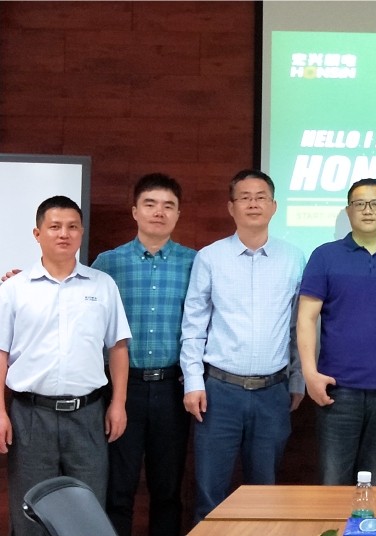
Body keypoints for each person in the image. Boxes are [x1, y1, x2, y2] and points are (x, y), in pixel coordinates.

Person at [180, 169, 306, 523]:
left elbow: (298, 327)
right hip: (219, 393)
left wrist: (297, 379)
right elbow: (194, 325)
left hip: (273, 393)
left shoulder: (294, 258)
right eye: (245, 197)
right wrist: (193, 381)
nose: (253, 203)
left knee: (264, 496)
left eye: (261, 197)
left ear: (274, 206)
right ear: (231, 207)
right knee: (209, 494)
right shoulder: (210, 257)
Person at [0, 196, 131, 536]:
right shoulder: (13, 289)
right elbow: (1, 353)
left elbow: (118, 347)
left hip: (88, 416)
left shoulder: (103, 285)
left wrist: (118, 403)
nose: (64, 233)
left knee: (87, 515)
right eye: (55, 226)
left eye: (72, 227)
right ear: (37, 233)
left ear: (81, 232)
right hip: (30, 416)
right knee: (29, 516)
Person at [297, 178, 376, 486]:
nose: (368, 210)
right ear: (348, 211)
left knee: (372, 486)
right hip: (337, 391)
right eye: (360, 204)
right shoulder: (325, 256)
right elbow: (306, 319)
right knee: (333, 486)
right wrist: (309, 375)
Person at [92, 174, 196, 536]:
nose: (159, 212)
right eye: (150, 204)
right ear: (135, 211)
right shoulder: (107, 263)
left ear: (178, 214)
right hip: (122, 390)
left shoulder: (195, 263)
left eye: (168, 206)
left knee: (167, 491)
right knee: (118, 489)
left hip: (172, 390)